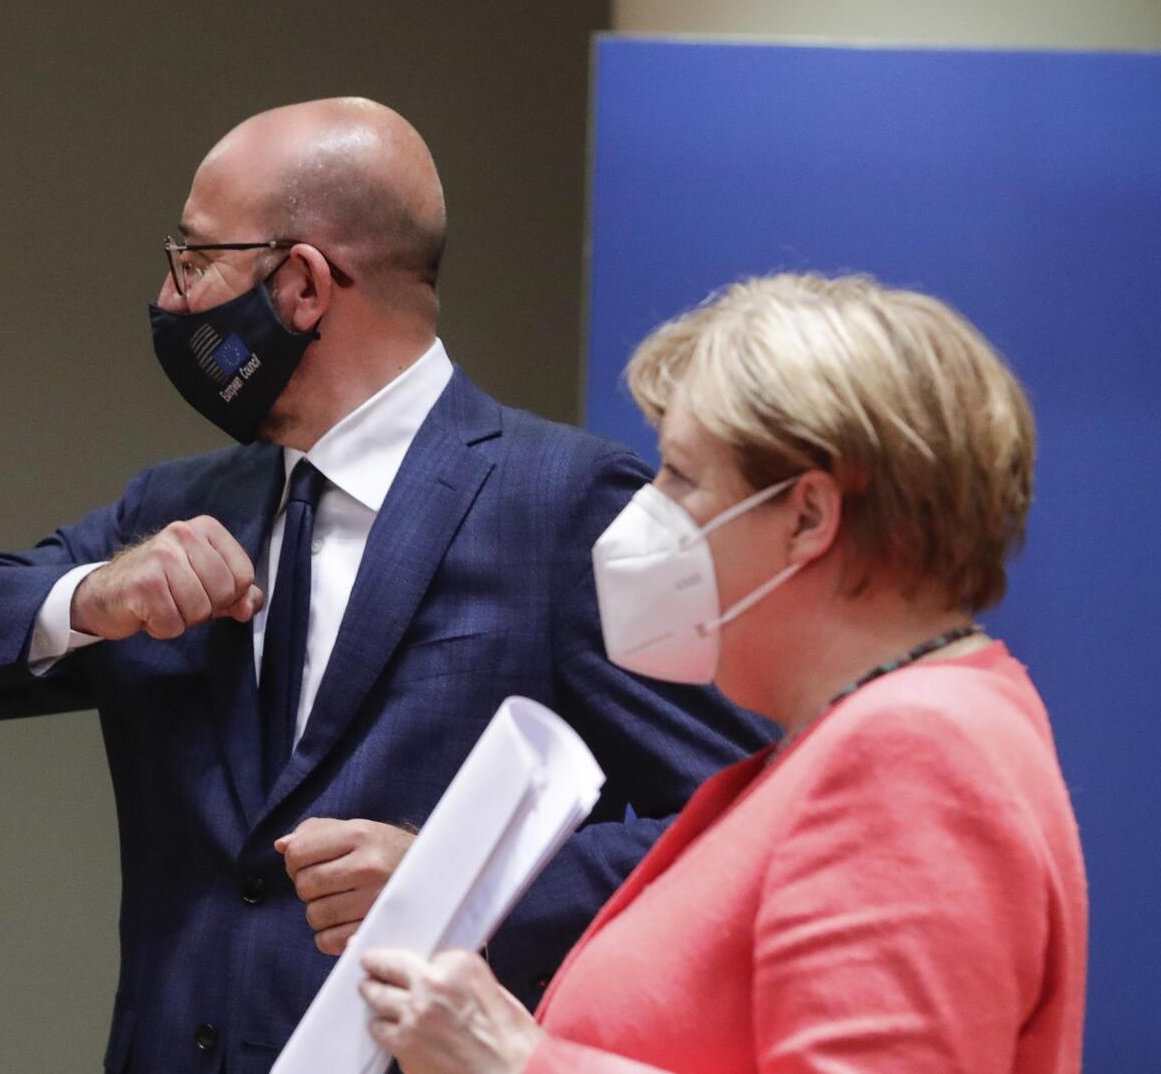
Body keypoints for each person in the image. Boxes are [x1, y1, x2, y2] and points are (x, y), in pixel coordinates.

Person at [0, 97, 774, 1071]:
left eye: (194, 257)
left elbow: (742, 829)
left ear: (300, 284)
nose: (169, 297)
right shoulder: (167, 513)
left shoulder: (562, 504)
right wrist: (85, 597)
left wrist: (456, 886)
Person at [358, 273, 1086, 1073]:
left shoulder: (916, 752)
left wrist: (512, 1060)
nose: (648, 508)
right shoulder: (865, 736)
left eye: (681, 475)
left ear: (808, 517)